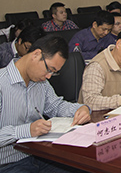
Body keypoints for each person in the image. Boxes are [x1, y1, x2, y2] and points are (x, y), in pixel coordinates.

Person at [0, 35, 91, 171]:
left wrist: (81, 108)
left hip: (40, 155)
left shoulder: (41, 83)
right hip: (8, 163)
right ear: (36, 54)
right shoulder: (2, 83)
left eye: (54, 73)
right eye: (49, 69)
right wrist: (26, 130)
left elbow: (56, 106)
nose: (48, 76)